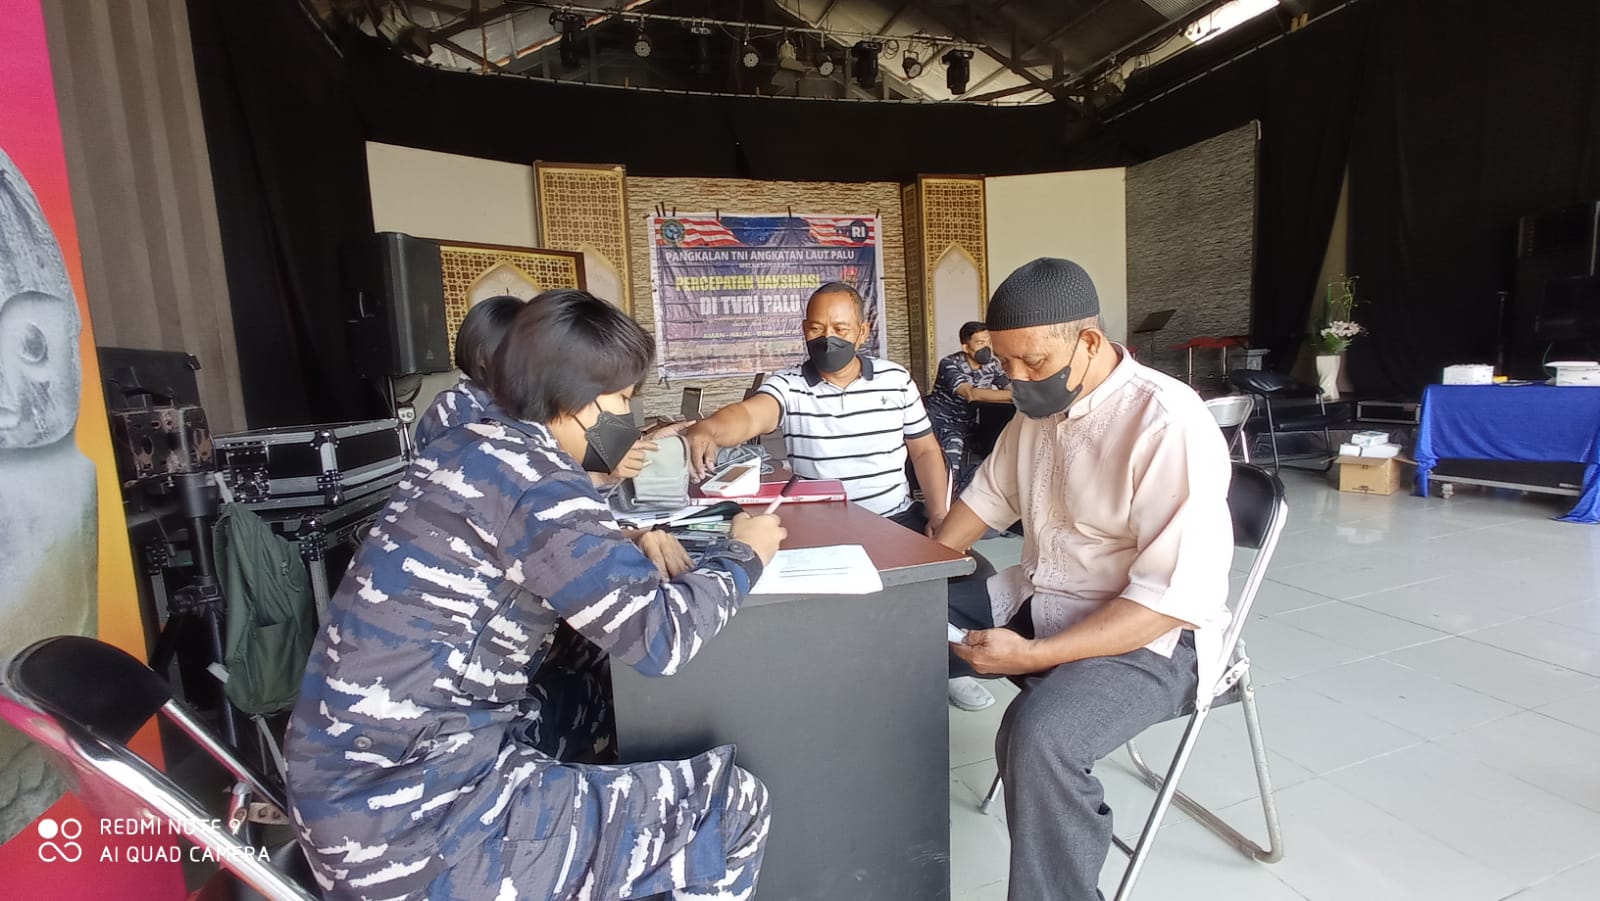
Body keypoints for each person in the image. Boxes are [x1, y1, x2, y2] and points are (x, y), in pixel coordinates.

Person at [286, 289, 785, 901]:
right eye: (622, 398)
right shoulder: (539, 481)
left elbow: (532, 549)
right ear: (577, 401)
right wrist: (746, 552)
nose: (629, 415)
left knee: (592, 696)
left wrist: (622, 539)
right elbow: (662, 639)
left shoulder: (472, 446)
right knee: (729, 808)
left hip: (357, 788)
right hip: (415, 829)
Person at [937, 258, 1233, 901]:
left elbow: (1167, 602)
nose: (1016, 380)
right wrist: (917, 577)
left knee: (1039, 737)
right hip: (1042, 596)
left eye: (1033, 362)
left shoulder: (1166, 422)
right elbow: (982, 505)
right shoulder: (1038, 410)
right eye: (1003, 364)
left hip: (1151, 637)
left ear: (1090, 342)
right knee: (893, 629)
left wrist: (1034, 655)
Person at [681, 283, 998, 712]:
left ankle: (943, 667)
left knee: (976, 583)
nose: (827, 338)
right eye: (816, 328)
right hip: (823, 529)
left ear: (863, 332)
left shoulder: (895, 380)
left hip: (895, 520)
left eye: (841, 328)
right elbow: (750, 415)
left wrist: (939, 514)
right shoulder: (788, 385)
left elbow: (924, 450)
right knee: (831, 608)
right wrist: (710, 429)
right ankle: (861, 676)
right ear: (804, 330)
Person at [415, 293, 657, 484]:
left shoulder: (521, 410)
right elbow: (499, 487)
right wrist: (598, 477)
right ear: (483, 354)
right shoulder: (458, 409)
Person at [926, 321, 1012, 494]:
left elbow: (1009, 387)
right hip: (944, 423)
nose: (986, 348)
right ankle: (946, 501)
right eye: (980, 343)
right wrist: (1017, 396)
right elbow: (970, 394)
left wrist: (1023, 392)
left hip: (971, 423)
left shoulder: (992, 364)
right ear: (966, 347)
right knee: (952, 467)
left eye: (989, 342)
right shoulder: (949, 364)